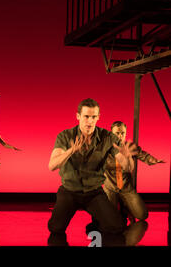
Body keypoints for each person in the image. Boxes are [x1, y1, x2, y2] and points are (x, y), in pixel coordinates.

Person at [47, 98, 138, 246]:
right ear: (78, 116)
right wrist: (71, 150)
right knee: (55, 229)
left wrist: (127, 157)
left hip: (93, 192)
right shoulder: (65, 136)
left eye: (94, 117)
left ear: (98, 117)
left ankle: (95, 222)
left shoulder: (108, 137)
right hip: (69, 191)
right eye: (86, 116)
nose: (90, 121)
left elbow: (128, 168)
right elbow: (52, 165)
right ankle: (95, 218)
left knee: (117, 227)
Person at [104, 121, 164, 223]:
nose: (120, 135)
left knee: (142, 214)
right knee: (109, 218)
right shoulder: (105, 148)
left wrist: (153, 160)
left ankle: (126, 207)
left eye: (122, 133)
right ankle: (118, 210)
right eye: (117, 133)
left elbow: (142, 154)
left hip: (126, 188)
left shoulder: (129, 146)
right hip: (110, 188)